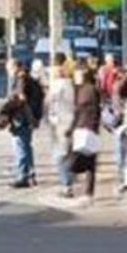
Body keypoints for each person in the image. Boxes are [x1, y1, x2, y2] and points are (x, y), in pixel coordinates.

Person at [0, 66, 37, 188]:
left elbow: (20, 99)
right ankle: (30, 174)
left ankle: (22, 177)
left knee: (20, 147)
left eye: (9, 68)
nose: (8, 71)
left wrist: (7, 105)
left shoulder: (19, 79)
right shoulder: (29, 79)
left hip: (20, 119)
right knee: (26, 147)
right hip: (28, 118)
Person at [45, 53, 76, 196]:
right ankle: (68, 181)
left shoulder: (61, 84)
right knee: (64, 154)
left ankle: (67, 185)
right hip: (63, 121)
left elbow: (53, 102)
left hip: (61, 122)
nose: (53, 70)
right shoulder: (68, 83)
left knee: (60, 155)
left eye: (55, 68)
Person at [71, 59, 102, 201]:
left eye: (76, 73)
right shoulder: (79, 88)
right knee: (85, 159)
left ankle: (87, 192)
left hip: (87, 128)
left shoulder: (89, 89)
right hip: (81, 127)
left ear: (83, 73)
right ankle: (84, 191)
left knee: (88, 159)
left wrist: (91, 126)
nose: (74, 76)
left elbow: (94, 110)